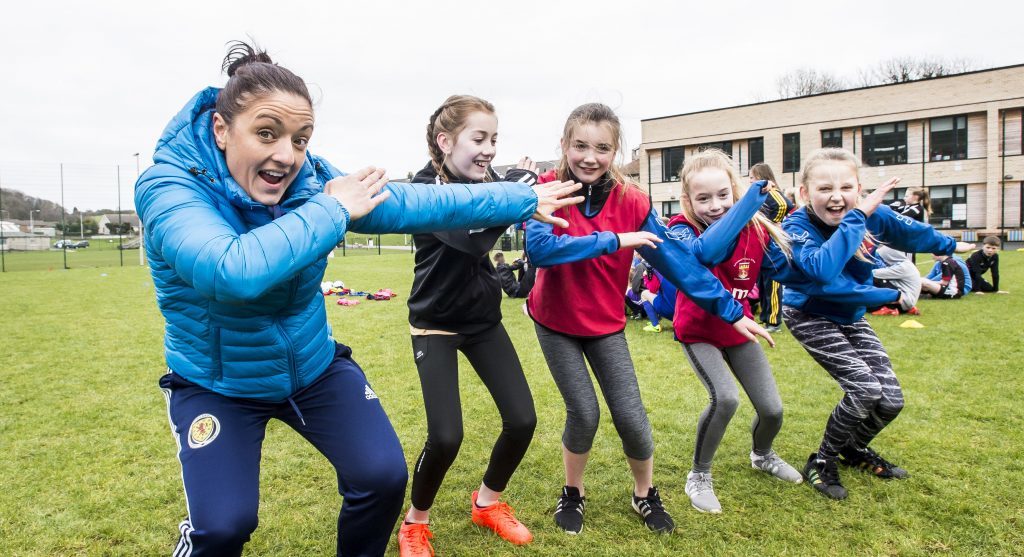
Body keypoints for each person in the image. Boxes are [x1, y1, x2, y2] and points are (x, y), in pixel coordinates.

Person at [136, 43, 581, 557]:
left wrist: (520, 198)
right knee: (225, 525)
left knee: (382, 477)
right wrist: (330, 209)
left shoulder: (311, 181)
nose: (286, 154)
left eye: (301, 140)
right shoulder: (169, 188)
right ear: (221, 129)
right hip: (218, 385)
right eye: (266, 133)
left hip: (312, 368)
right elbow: (234, 271)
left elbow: (416, 201)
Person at [525, 103, 771, 535]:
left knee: (632, 419)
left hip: (605, 325)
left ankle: (644, 494)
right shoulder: (547, 189)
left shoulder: (633, 200)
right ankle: (573, 493)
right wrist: (616, 240)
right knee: (583, 413)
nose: (589, 156)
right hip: (555, 322)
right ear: (564, 145)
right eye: (580, 145)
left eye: (602, 148)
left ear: (615, 152)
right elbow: (542, 250)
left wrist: (731, 312)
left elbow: (678, 264)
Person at [767, 148, 973, 500]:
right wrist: (887, 295)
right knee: (864, 390)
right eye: (824, 188)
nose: (837, 196)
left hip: (849, 314)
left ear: (859, 188)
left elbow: (908, 231)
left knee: (891, 400)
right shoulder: (795, 228)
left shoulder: (867, 214)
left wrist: (949, 244)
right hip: (811, 313)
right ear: (804, 194)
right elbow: (822, 271)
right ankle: (822, 460)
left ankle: (853, 448)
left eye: (847, 187)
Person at [398, 95, 547, 555]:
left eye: (494, 140)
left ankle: (487, 502)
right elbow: (471, 241)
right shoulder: (423, 189)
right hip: (435, 324)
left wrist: (519, 186)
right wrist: (518, 199)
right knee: (446, 435)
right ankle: (414, 523)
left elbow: (515, 194)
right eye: (478, 139)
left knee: (522, 420)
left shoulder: (491, 181)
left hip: (482, 321)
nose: (488, 150)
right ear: (445, 141)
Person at [667, 150, 802, 514]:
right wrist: (744, 209)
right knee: (725, 399)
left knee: (772, 410)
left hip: (740, 329)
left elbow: (791, 269)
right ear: (688, 199)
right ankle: (698, 475)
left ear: (735, 190)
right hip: (699, 331)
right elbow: (705, 253)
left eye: (723, 195)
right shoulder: (681, 227)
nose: (715, 205)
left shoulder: (756, 229)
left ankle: (763, 455)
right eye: (703, 198)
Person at [748, 162, 793, 332]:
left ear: (760, 176)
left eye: (752, 177)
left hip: (773, 244)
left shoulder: (771, 191)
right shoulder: (760, 195)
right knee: (763, 282)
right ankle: (766, 317)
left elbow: (784, 204)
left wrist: (773, 224)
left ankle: (774, 321)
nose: (750, 181)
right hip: (762, 244)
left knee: (773, 284)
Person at [870, 245, 922, 315]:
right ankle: (906, 309)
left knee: (876, 280)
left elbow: (874, 274)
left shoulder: (902, 267)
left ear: (890, 256)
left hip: (904, 301)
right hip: (908, 300)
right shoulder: (905, 264)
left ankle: (889, 308)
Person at [638, 266, 676, 333]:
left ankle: (655, 325)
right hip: (686, 312)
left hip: (671, 311)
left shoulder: (657, 268)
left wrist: (646, 276)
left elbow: (652, 289)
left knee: (644, 294)